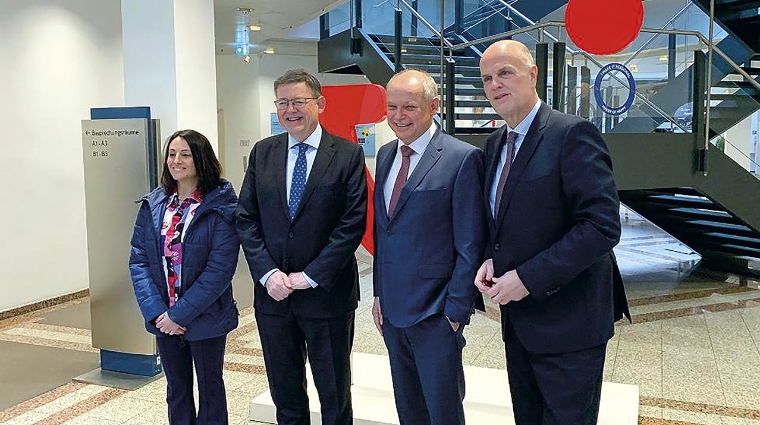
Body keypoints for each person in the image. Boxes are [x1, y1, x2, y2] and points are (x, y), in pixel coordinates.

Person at [475, 40, 630, 424]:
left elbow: (601, 225)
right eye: (487, 78)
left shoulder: (572, 134)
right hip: (520, 325)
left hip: (570, 325)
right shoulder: (496, 143)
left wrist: (527, 277)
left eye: (505, 72)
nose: (495, 84)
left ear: (532, 75)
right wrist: (490, 258)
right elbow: (507, 222)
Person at [235, 68, 367, 425]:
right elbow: (246, 218)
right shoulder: (263, 153)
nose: (290, 110)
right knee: (285, 394)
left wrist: (310, 276)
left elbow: (351, 224)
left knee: (334, 395)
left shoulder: (347, 155)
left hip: (327, 296)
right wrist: (267, 274)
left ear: (320, 104)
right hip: (274, 298)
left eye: (298, 101)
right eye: (282, 103)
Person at [372, 69, 486, 425]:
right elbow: (384, 233)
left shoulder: (461, 158)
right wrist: (379, 294)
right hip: (392, 310)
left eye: (409, 107)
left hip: (437, 313)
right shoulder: (387, 154)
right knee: (409, 409)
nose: (398, 116)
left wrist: (455, 313)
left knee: (443, 412)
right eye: (392, 107)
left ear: (434, 106)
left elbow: (470, 244)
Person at [129, 129, 240, 425]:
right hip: (164, 318)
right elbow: (139, 260)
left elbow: (219, 271)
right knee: (176, 391)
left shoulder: (222, 207)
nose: (176, 161)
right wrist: (157, 313)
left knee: (210, 391)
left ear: (201, 159)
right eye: (172, 154)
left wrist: (180, 314)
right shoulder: (154, 205)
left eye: (185, 154)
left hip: (206, 317)